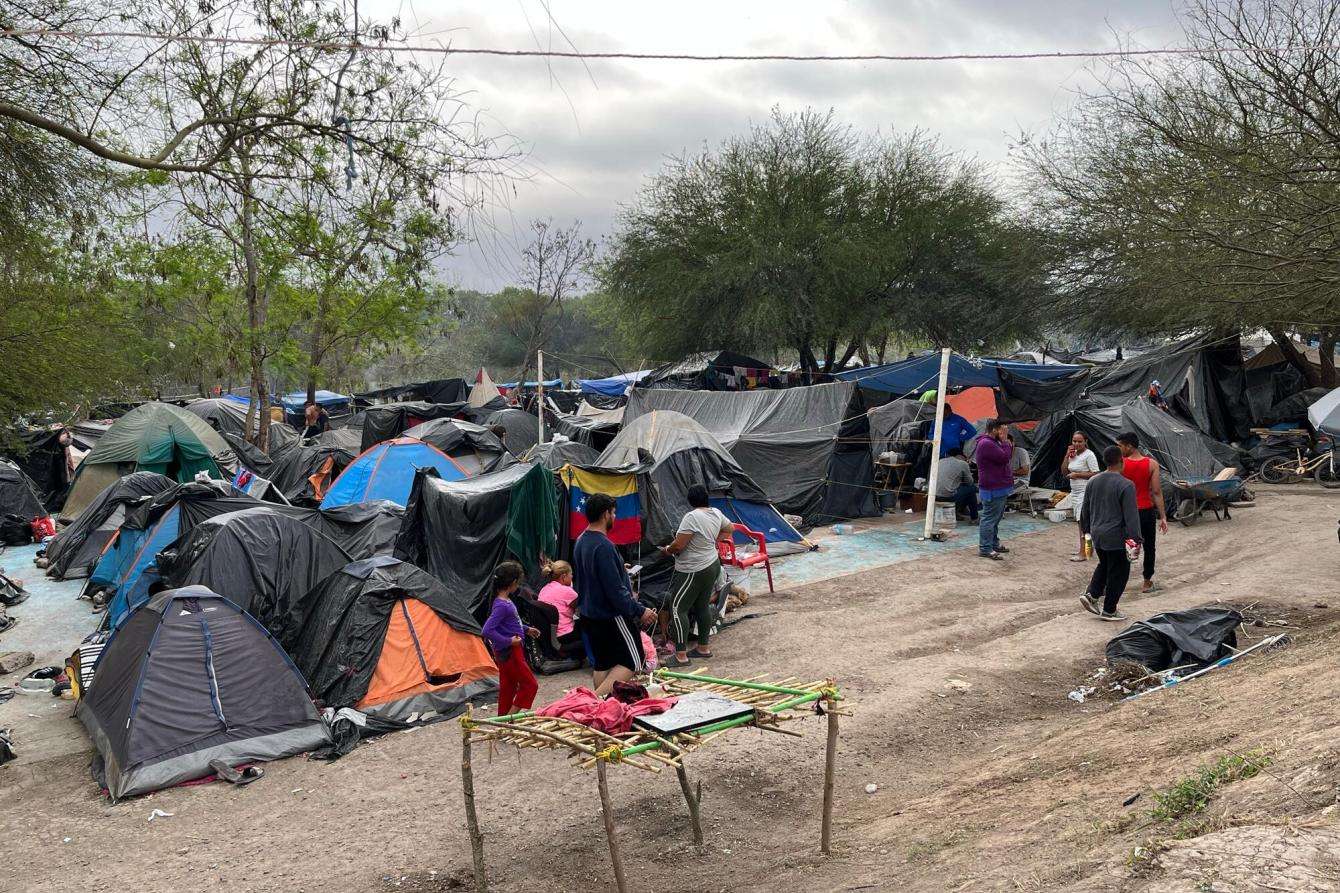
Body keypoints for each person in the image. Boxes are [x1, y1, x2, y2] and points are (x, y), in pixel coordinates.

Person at [573, 493, 657, 696]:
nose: (615, 517)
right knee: (634, 660)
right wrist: (639, 610)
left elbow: (594, 577)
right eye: (614, 513)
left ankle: (602, 703)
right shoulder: (604, 546)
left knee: (603, 664)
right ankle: (593, 702)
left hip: (589, 613)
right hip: (610, 615)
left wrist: (619, 568)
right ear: (605, 515)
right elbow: (615, 590)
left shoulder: (581, 541)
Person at [659, 484, 734, 666]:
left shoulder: (691, 517)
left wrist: (667, 550)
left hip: (694, 568)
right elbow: (730, 528)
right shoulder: (715, 512)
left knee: (678, 608)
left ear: (690, 500)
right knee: (701, 606)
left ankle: (681, 656)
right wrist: (711, 541)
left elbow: (678, 546)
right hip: (712, 564)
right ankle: (703, 648)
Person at [1079, 446, 1143, 621]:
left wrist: (1086, 531)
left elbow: (1085, 509)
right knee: (1120, 572)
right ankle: (1110, 609)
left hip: (1097, 533)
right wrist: (1136, 538)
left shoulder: (1093, 480)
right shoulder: (1126, 485)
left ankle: (1092, 594)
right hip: (1116, 536)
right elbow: (1131, 515)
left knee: (1105, 565)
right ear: (1121, 461)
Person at [480, 561, 540, 715]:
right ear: (513, 582)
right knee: (530, 685)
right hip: (511, 652)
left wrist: (526, 629)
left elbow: (508, 624)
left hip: (505, 652)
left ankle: (502, 722)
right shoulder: (502, 605)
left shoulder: (503, 601)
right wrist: (509, 641)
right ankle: (509, 718)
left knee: (508, 687)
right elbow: (487, 630)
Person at [1117, 431, 1169, 592]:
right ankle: (1147, 582)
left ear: (1129, 446)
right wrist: (1163, 516)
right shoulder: (1152, 464)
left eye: (1120, 446)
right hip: (1146, 511)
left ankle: (1115, 581)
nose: (1118, 449)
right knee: (1149, 547)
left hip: (1126, 512)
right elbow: (1156, 492)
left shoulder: (1120, 465)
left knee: (1123, 546)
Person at [973, 419, 1015, 560]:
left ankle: (993, 543)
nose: (1005, 433)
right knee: (989, 518)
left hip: (999, 486)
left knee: (995, 518)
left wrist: (1004, 442)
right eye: (1003, 430)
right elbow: (1005, 457)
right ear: (995, 430)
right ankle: (985, 548)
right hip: (993, 487)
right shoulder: (986, 443)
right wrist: (1004, 441)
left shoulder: (992, 442)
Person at [1065, 432, 1101, 561]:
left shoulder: (1089, 455)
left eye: (1079, 441)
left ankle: (1084, 552)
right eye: (1074, 441)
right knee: (1081, 523)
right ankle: (1087, 550)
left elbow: (1096, 473)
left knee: (1083, 523)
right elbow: (1064, 471)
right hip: (1074, 492)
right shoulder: (1072, 455)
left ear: (1085, 441)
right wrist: (1066, 455)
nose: (1076, 444)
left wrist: (1078, 475)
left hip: (1085, 491)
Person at [537, 560, 581, 648]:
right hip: (565, 634)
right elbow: (581, 607)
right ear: (563, 577)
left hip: (550, 633)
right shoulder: (566, 591)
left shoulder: (544, 588)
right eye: (571, 574)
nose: (572, 577)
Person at [935, 447, 978, 522]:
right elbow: (970, 482)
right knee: (971, 489)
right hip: (947, 497)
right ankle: (974, 518)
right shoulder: (962, 463)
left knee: (962, 490)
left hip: (934, 496)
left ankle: (957, 512)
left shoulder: (940, 461)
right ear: (959, 456)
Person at [1007, 432, 1031, 496]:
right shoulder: (1002, 453)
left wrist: (1009, 472)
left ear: (1013, 443)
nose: (1006, 446)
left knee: (1005, 491)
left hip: (1022, 481)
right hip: (1008, 480)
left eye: (1008, 444)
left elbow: (1025, 471)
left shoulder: (1021, 452)